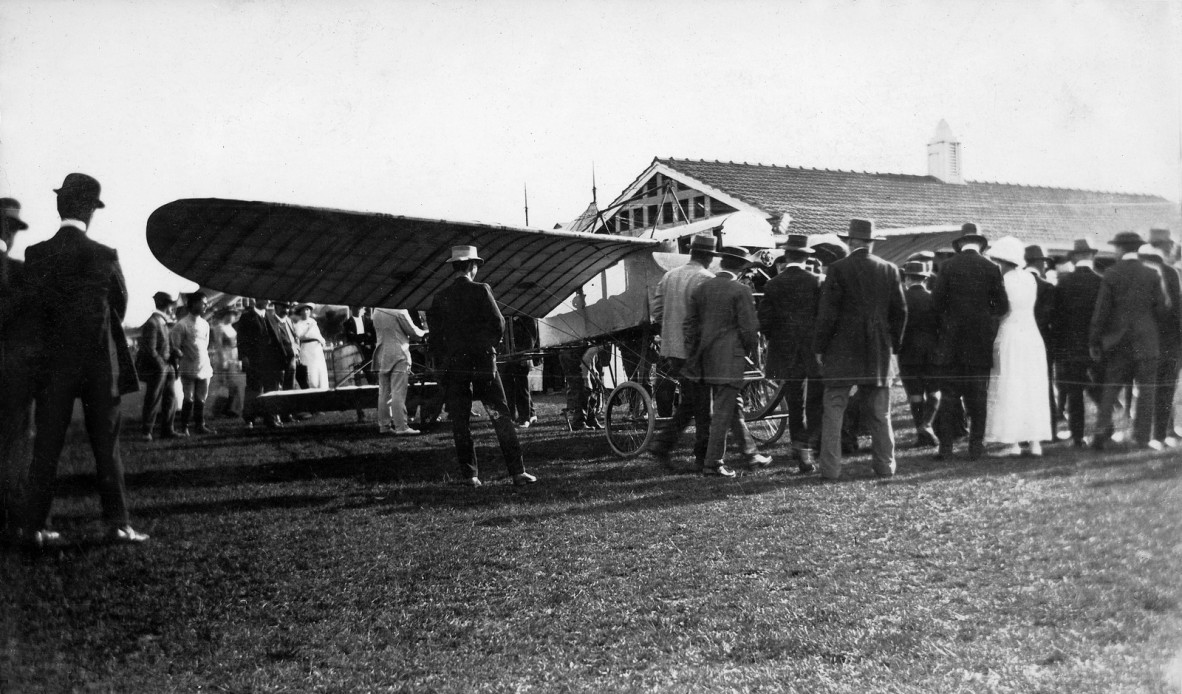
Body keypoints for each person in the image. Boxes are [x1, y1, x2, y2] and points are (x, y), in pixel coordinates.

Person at [20, 173, 147, 546]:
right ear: (91, 211)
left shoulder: (36, 255)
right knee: (106, 448)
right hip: (98, 367)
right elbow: (119, 307)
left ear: (59, 206)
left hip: (52, 367)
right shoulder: (105, 255)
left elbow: (31, 312)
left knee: (46, 447)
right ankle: (118, 524)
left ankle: (35, 526)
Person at [427, 246, 535, 487]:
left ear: (455, 267)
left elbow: (435, 338)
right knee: (500, 415)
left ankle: (471, 476)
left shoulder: (440, 297)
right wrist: (488, 348)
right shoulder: (481, 290)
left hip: (456, 366)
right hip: (484, 363)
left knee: (461, 421)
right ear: (472, 267)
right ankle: (517, 472)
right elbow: (498, 324)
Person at [813, 219, 907, 480]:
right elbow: (900, 313)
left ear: (849, 241)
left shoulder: (837, 269)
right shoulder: (890, 269)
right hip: (877, 351)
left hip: (841, 351)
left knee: (833, 411)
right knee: (880, 413)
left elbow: (827, 315)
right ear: (871, 242)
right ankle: (885, 466)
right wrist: (893, 348)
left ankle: (830, 470)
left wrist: (820, 347)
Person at [684, 246, 773, 477]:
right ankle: (713, 463)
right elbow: (749, 329)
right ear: (742, 266)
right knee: (724, 412)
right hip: (729, 360)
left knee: (734, 407)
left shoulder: (701, 289)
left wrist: (695, 353)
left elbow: (690, 326)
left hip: (705, 360)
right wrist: (750, 353)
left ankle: (751, 454)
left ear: (722, 263)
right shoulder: (740, 290)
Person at [931, 223, 1009, 460]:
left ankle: (945, 448)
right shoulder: (991, 268)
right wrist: (986, 318)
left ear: (961, 244)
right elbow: (1002, 306)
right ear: (980, 244)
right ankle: (976, 445)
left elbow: (936, 305)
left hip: (952, 343)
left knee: (949, 396)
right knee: (978, 397)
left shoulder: (946, 267)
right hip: (980, 343)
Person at [1090, 231, 1169, 450]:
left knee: (1110, 388)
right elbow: (1162, 309)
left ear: (1121, 249)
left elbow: (1101, 312)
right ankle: (1142, 438)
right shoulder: (1152, 273)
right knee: (1147, 392)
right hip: (1146, 341)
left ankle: (1100, 434)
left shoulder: (1111, 273)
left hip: (1118, 342)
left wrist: (1094, 341)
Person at [645, 233, 717, 469]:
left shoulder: (669, 276)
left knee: (691, 402)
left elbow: (656, 311)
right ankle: (701, 455)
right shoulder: (706, 278)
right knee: (703, 406)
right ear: (707, 257)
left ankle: (663, 445)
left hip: (673, 349)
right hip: (696, 351)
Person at [758, 233, 822, 471]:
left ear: (786, 256)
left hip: (785, 353)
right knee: (815, 401)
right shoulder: (816, 282)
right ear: (806, 257)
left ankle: (800, 448)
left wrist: (778, 339)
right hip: (813, 353)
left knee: (795, 403)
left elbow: (764, 321)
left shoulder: (773, 284)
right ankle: (807, 448)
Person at [983, 237, 1053, 455]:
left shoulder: (1003, 281)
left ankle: (1012, 442)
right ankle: (1034, 442)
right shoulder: (1030, 279)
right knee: (1032, 387)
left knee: (1010, 385)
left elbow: (1001, 310)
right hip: (1031, 335)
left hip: (1011, 334)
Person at [0, 197, 37, 537]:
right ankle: (14, 519)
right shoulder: (20, 273)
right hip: (11, 372)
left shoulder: (19, 271)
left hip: (13, 371)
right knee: (13, 446)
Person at [1050, 238, 1104, 447]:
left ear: (1074, 258)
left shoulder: (1064, 283)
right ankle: (1104, 429)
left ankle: (1078, 436)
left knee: (1074, 394)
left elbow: (1056, 317)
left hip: (1070, 346)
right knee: (1099, 387)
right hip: (1095, 345)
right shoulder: (1101, 281)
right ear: (1092, 256)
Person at [897, 261, 940, 448]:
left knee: (915, 394)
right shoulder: (934, 299)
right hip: (932, 352)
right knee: (934, 392)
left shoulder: (901, 299)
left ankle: (921, 432)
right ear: (925, 279)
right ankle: (927, 424)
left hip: (908, 352)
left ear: (907, 278)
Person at [1145, 229, 1182, 446]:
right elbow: (1177, 308)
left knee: (1153, 387)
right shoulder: (1171, 272)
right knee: (1166, 387)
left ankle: (1163, 430)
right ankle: (1160, 433)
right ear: (1167, 246)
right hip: (1170, 339)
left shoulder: (1141, 269)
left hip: (1147, 338)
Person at [235, 298, 295, 429]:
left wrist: (284, 356)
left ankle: (270, 418)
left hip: (271, 361)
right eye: (264, 298)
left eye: (269, 299)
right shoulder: (247, 317)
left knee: (271, 389)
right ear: (257, 299)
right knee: (253, 389)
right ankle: (249, 420)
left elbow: (278, 339)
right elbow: (241, 339)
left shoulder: (270, 317)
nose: (268, 301)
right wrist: (244, 357)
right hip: (254, 360)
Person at [1024, 244, 1061, 436]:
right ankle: (1050, 430)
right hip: (1042, 342)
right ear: (1040, 263)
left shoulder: (1015, 283)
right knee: (1045, 386)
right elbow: (1050, 317)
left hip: (1020, 341)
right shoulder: (1047, 287)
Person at [372, 307, 427, 435]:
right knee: (398, 392)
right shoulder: (399, 311)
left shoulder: (377, 311)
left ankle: (384, 426)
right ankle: (401, 426)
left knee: (384, 392)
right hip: (399, 354)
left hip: (381, 353)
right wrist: (425, 332)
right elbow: (413, 332)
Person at [137, 291, 181, 440]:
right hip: (158, 368)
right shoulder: (153, 322)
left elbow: (164, 344)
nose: (172, 310)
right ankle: (146, 431)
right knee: (153, 399)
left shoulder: (161, 321)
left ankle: (168, 429)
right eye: (171, 307)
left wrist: (175, 352)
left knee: (170, 398)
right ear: (166, 307)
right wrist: (162, 365)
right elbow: (150, 349)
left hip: (166, 367)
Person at [171, 291, 216, 435]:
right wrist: (183, 357)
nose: (206, 306)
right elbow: (175, 347)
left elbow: (205, 345)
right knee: (188, 397)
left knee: (201, 397)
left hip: (204, 366)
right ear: (193, 304)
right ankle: (184, 427)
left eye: (206, 303)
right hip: (188, 367)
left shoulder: (205, 324)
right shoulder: (181, 325)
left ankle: (200, 425)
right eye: (203, 303)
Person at [502, 315, 540, 427]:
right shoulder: (509, 317)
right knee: (509, 384)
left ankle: (524, 418)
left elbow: (531, 338)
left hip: (521, 355)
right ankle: (527, 414)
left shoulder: (528, 317)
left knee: (521, 386)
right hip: (509, 355)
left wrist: (525, 355)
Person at [209, 304, 244, 419]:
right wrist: (223, 360)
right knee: (226, 384)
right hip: (225, 356)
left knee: (233, 384)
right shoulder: (219, 327)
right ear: (226, 315)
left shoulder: (231, 327)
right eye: (231, 314)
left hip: (234, 355)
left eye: (234, 315)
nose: (233, 317)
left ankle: (230, 408)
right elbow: (218, 345)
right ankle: (220, 408)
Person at [292, 303, 329, 390]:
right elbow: (300, 335)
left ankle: (322, 390)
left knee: (320, 371)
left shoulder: (313, 322)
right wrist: (309, 328)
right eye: (303, 310)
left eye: (307, 309)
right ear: (300, 312)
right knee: (310, 374)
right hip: (307, 349)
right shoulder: (297, 323)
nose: (306, 312)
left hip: (317, 350)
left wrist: (322, 340)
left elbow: (318, 334)